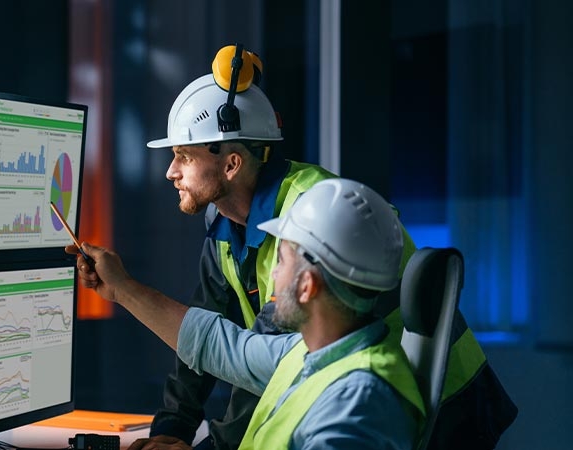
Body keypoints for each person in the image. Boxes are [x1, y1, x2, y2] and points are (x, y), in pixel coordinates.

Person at [134, 44, 517, 450]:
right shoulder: (227, 224)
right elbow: (212, 335)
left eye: (183, 156)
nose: (170, 171)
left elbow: (269, 366)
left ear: (231, 164)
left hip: (425, 402)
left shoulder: (311, 218)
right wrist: (172, 429)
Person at [69, 178, 426, 449]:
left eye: (281, 260)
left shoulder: (357, 405)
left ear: (307, 286)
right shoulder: (312, 353)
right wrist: (122, 288)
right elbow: (220, 346)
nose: (271, 274)